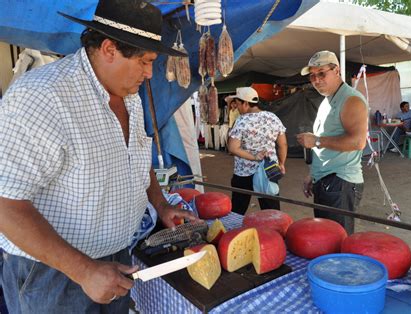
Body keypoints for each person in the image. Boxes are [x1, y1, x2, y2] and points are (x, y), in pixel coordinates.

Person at [0, 1, 197, 313]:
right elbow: (6, 205)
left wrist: (161, 205)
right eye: (145, 62)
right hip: (53, 272)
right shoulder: (40, 97)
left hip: (116, 257)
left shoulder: (127, 94)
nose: (149, 74)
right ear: (109, 49)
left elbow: (135, 157)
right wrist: (83, 270)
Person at [296, 50, 368, 234]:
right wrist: (312, 174)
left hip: (341, 181)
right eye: (312, 76)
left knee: (339, 239)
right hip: (326, 180)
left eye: (321, 73)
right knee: (325, 237)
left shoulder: (351, 100)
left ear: (336, 71)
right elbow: (326, 144)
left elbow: (358, 142)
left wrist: (317, 141)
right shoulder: (327, 101)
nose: (316, 80)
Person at [227, 87, 288, 215]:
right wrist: (281, 163)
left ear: (245, 103)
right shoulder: (272, 117)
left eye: (238, 104)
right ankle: (274, 233)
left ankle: (234, 232)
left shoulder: (241, 121)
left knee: (238, 209)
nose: (237, 107)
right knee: (271, 211)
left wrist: (255, 157)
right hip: (269, 170)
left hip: (244, 173)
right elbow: (283, 144)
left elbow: (232, 148)